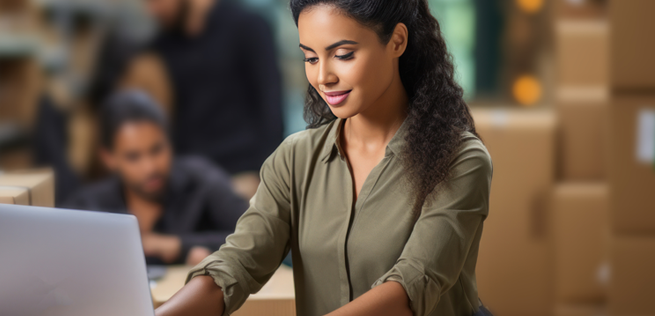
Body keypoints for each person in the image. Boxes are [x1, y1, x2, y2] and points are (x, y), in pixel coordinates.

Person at [155, 1, 493, 316]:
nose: (323, 77)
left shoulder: (459, 159)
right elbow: (237, 264)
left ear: (397, 41)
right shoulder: (295, 159)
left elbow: (412, 285)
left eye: (343, 55)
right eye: (311, 58)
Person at [63, 90, 248, 266]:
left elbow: (254, 235)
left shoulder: (201, 180)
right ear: (109, 158)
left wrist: (178, 245)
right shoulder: (89, 206)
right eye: (133, 157)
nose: (150, 167)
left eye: (156, 149)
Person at [145, 0, 285, 181]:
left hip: (244, 172)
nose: (152, 11)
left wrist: (265, 177)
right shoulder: (162, 47)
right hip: (188, 178)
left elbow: (271, 105)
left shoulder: (247, 26)